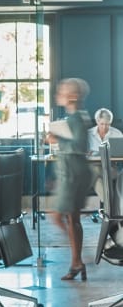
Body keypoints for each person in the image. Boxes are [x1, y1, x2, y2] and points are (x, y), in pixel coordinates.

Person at [45, 78, 92, 281]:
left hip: (73, 175)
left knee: (57, 216)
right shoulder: (75, 117)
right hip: (72, 173)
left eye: (62, 91)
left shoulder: (76, 119)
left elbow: (80, 146)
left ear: (72, 96)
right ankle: (76, 262)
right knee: (73, 219)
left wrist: (57, 139)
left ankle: (82, 258)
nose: (58, 93)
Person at [87, 107, 123, 200]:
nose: (104, 127)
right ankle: (109, 209)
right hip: (92, 166)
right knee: (98, 180)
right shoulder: (88, 134)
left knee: (93, 172)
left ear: (110, 123)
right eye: (102, 124)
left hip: (111, 168)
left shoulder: (117, 134)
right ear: (97, 121)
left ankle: (80, 192)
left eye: (107, 124)